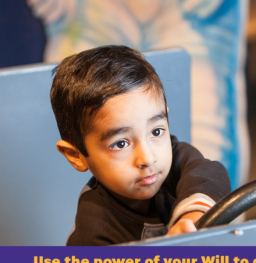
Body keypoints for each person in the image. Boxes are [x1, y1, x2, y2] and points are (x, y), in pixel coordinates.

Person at [50, 45, 231, 246]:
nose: (147, 158)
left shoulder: (176, 157)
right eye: (120, 144)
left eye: (156, 131)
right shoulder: (92, 231)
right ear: (76, 155)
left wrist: (192, 216)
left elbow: (211, 174)